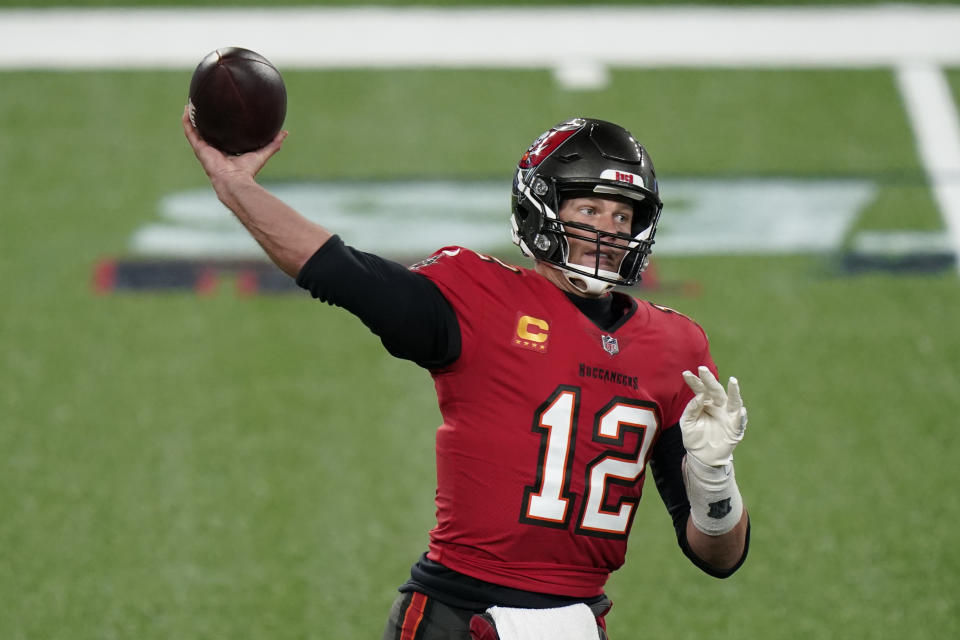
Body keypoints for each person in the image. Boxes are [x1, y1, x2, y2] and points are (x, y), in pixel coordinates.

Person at [182, 110, 751, 640]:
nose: (608, 230)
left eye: (623, 215)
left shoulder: (677, 345)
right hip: (460, 614)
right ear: (543, 208)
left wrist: (713, 475)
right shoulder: (481, 298)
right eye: (589, 210)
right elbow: (340, 270)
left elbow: (718, 557)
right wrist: (238, 189)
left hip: (578, 620)